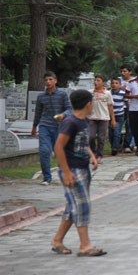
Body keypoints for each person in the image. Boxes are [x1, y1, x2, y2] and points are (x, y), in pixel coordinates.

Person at [50, 89, 106, 257]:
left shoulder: (84, 121)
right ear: (88, 104)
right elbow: (58, 146)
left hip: (83, 168)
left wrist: (91, 156)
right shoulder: (70, 122)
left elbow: (81, 141)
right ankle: (85, 246)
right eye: (92, 102)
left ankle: (57, 240)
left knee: (72, 206)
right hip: (73, 170)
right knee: (82, 206)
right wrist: (66, 172)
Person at [32, 71, 73, 185]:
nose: (48, 82)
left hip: (59, 127)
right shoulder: (41, 96)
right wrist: (34, 126)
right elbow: (38, 112)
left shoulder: (62, 94)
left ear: (55, 81)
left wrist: (63, 115)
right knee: (44, 151)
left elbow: (70, 109)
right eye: (46, 80)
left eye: (50, 79)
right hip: (44, 125)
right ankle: (47, 177)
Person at [88, 74, 115, 163]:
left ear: (104, 83)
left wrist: (113, 119)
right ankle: (93, 153)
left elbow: (110, 107)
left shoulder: (107, 93)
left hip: (104, 118)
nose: (96, 82)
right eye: (95, 80)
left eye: (98, 80)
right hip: (92, 117)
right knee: (91, 136)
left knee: (101, 137)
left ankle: (99, 155)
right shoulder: (90, 92)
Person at [109, 78, 127, 156]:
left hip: (120, 115)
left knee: (117, 132)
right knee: (111, 133)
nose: (114, 85)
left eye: (116, 83)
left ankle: (115, 148)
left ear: (120, 85)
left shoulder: (123, 93)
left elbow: (126, 102)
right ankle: (113, 145)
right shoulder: (108, 93)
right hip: (109, 115)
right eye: (113, 83)